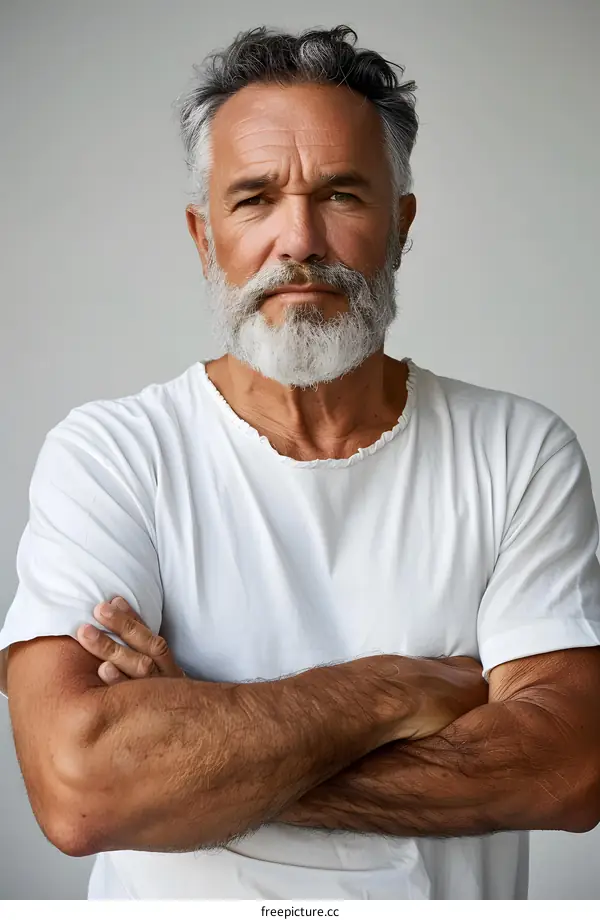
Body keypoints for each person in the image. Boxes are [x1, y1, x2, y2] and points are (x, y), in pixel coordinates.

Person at [1, 24, 600, 901]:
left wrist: (196, 743)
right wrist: (401, 688)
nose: (299, 241)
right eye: (254, 200)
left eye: (342, 195)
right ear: (205, 238)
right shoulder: (112, 456)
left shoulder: (517, 452)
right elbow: (82, 790)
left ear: (401, 226)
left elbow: (568, 770)